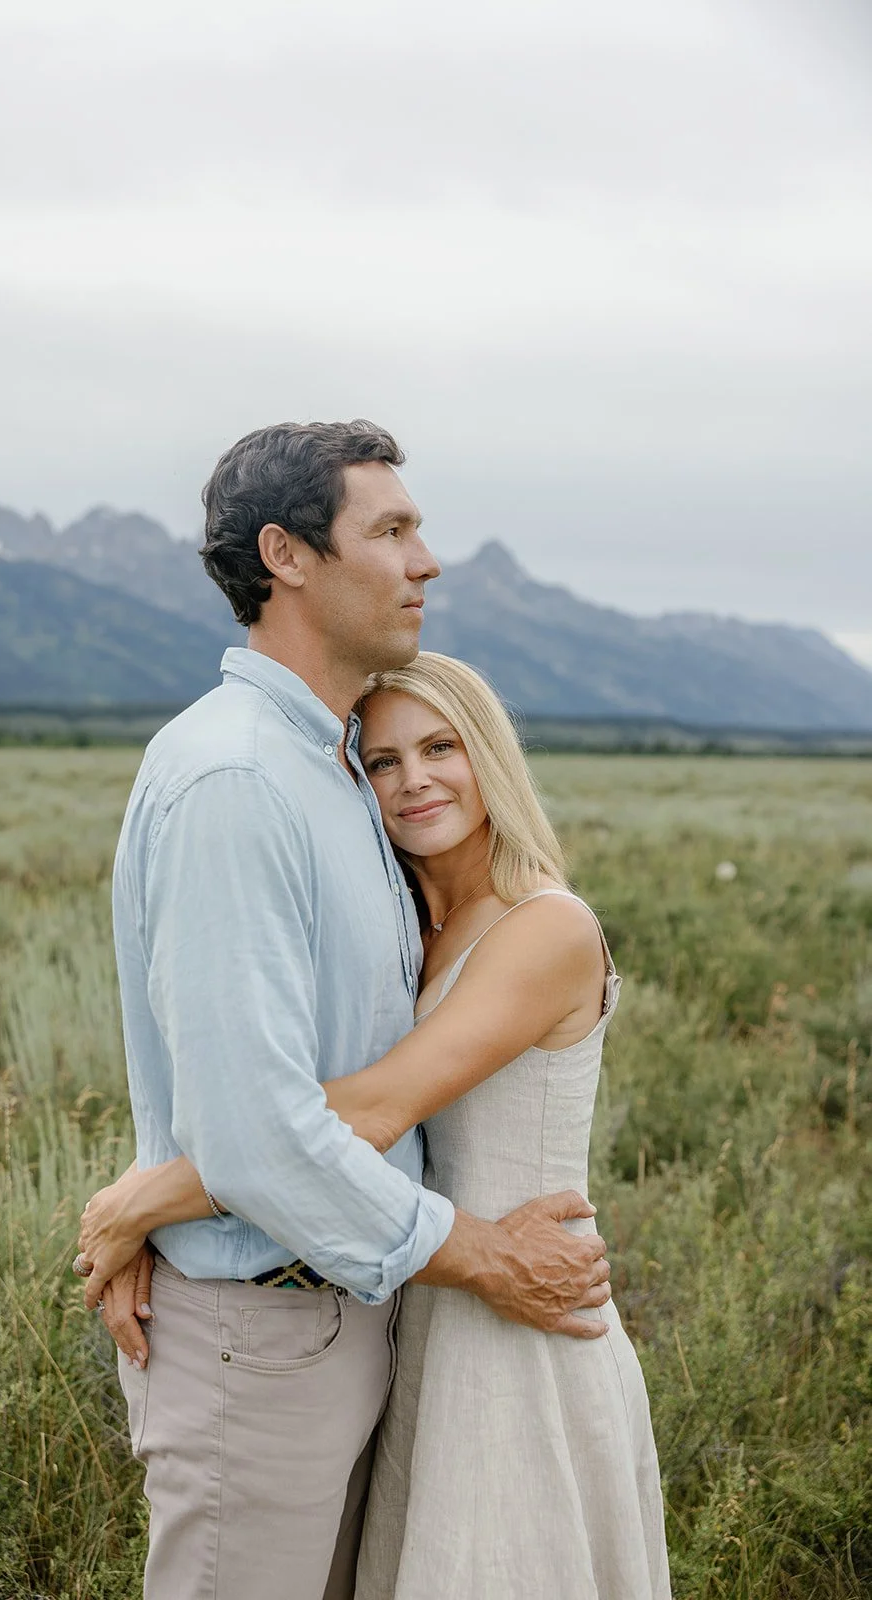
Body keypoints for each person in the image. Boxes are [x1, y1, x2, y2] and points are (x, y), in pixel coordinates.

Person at [74, 420, 611, 1600]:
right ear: (289, 554)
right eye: (392, 529)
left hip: (362, 1318)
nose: (426, 561)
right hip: (256, 1338)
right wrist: (477, 1255)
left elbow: (337, 1083)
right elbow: (258, 1125)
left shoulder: (326, 770)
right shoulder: (238, 780)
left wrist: (154, 1188)